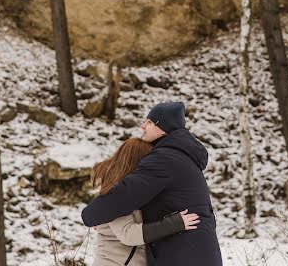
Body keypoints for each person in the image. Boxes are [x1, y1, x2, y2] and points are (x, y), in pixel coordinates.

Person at [82, 101, 223, 266]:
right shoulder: (180, 157)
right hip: (193, 252)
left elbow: (125, 194)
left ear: (163, 126)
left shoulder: (164, 159)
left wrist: (94, 215)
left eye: (149, 122)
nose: (143, 126)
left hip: (184, 254)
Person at [90, 138, 199, 266]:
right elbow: (128, 234)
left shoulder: (134, 190)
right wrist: (172, 224)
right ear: (137, 161)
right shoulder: (116, 193)